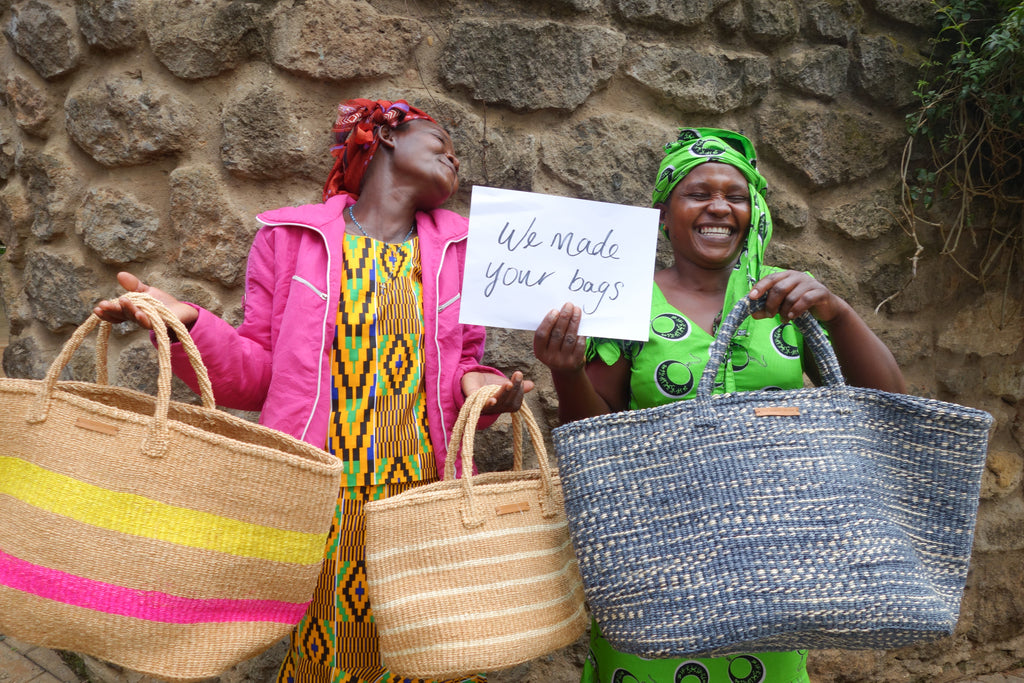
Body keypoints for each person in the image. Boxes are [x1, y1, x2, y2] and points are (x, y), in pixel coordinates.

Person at [95, 98, 532, 683]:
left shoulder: (461, 252)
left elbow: (463, 370)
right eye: (439, 138)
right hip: (326, 492)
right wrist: (188, 324)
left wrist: (489, 392)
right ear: (384, 136)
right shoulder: (291, 239)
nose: (454, 155)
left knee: (428, 645)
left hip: (424, 494)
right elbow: (256, 375)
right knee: (336, 653)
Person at [532, 127, 906, 683]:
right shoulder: (629, 300)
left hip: (773, 559)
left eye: (735, 195)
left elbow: (888, 401)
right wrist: (566, 373)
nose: (718, 207)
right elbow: (594, 438)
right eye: (697, 193)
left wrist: (838, 312)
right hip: (656, 560)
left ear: (752, 212)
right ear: (664, 214)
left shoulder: (782, 298)